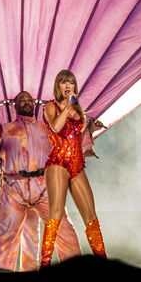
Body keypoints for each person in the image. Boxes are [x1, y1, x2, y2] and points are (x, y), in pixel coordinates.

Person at [0, 90, 81, 270]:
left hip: (45, 188)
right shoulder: (4, 129)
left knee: (64, 230)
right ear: (15, 106)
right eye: (22, 100)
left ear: (34, 105)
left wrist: (86, 130)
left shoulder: (47, 128)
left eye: (29, 100)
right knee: (7, 239)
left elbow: (70, 142)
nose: (27, 102)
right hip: (14, 189)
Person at [41, 69, 105, 265]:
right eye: (63, 82)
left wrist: (90, 129)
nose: (68, 85)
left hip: (77, 164)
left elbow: (77, 140)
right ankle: (44, 264)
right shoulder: (50, 106)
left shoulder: (78, 110)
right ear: (58, 86)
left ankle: (102, 262)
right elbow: (56, 128)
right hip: (58, 163)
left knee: (91, 217)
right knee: (56, 214)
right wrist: (67, 107)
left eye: (70, 82)